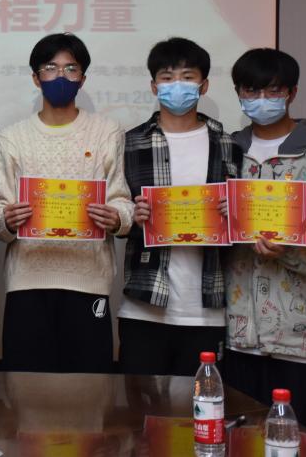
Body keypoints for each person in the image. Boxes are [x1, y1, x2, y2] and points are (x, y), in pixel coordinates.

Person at [222, 48, 306, 435]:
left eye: (273, 90)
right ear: (238, 93)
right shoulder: (227, 151)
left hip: (299, 332)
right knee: (240, 437)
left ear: (292, 93)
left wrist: (290, 251)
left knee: (297, 436)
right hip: (237, 329)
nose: (261, 99)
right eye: (251, 90)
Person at [0, 32, 131, 373]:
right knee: (26, 386)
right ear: (36, 77)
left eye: (71, 69)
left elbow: (122, 201)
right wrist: (7, 220)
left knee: (89, 386)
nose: (61, 76)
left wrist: (116, 218)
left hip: (89, 281)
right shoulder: (10, 137)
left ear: (83, 78)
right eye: (51, 68)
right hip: (27, 281)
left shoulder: (108, 132)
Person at [117, 38, 242, 375]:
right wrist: (132, 215)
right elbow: (116, 212)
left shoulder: (228, 144)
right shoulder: (130, 142)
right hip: (144, 305)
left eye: (187, 77)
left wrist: (236, 215)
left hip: (206, 309)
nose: (177, 86)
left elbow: (245, 221)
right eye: (167, 77)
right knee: (138, 405)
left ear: (204, 85)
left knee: (201, 404)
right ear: (154, 86)